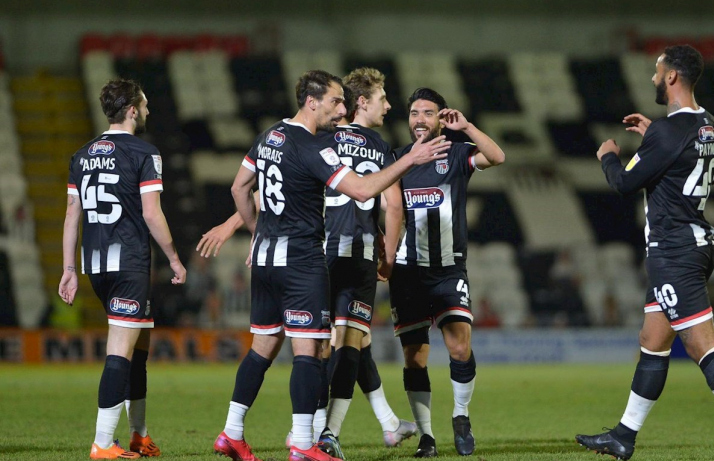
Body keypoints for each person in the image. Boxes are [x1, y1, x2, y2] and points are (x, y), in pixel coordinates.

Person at [211, 70, 449, 461]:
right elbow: (362, 189)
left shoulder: (270, 136)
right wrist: (411, 158)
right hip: (304, 260)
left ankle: (232, 432)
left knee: (262, 350)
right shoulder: (312, 146)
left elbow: (240, 188)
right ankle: (305, 443)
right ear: (312, 101)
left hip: (266, 259)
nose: (344, 108)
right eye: (337, 101)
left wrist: (259, 231)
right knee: (313, 352)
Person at [575, 45, 714, 461]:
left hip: (674, 251)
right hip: (696, 242)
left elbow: (624, 184)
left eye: (656, 70)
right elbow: (706, 170)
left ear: (671, 78)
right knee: (652, 340)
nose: (652, 77)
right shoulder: (711, 126)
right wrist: (656, 141)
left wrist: (609, 156)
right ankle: (623, 436)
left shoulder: (668, 131)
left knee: (704, 347)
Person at [59, 78, 187, 459]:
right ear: (132, 110)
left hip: (96, 263)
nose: (147, 111)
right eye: (144, 105)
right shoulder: (144, 152)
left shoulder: (81, 155)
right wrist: (175, 258)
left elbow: (71, 214)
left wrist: (69, 268)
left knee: (139, 345)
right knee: (120, 349)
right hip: (129, 262)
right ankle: (102, 442)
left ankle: (138, 435)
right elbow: (151, 212)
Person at [389, 87, 505, 457]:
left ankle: (460, 415)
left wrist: (468, 127)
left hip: (448, 268)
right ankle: (426, 436)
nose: (419, 119)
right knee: (415, 358)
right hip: (407, 272)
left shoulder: (456, 154)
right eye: (414, 113)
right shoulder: (399, 159)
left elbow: (497, 156)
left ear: (441, 118)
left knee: (459, 347)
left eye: (427, 113)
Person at [316, 68, 418, 459]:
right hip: (357, 252)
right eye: (382, 98)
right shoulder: (378, 146)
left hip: (317, 252)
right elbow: (394, 205)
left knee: (354, 341)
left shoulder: (320, 138)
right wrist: (389, 256)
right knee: (348, 342)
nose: (389, 105)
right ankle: (325, 432)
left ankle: (389, 423)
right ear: (362, 102)